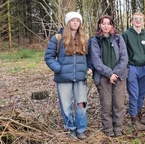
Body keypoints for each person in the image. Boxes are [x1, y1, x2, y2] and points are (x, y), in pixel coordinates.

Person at [44, 11, 91, 140]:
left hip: (81, 78)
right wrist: (59, 68)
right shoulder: (58, 38)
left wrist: (89, 69)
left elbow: (90, 57)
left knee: (81, 104)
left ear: (80, 23)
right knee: (65, 105)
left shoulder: (85, 38)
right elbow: (48, 57)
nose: (75, 22)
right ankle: (70, 128)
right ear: (68, 22)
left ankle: (81, 129)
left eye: (77, 20)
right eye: (72, 20)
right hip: (63, 78)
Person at [89, 15, 128, 137]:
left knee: (119, 103)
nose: (106, 26)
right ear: (99, 25)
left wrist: (115, 73)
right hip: (103, 77)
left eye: (108, 23)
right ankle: (108, 128)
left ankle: (118, 127)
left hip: (119, 76)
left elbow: (124, 57)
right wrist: (109, 74)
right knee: (106, 104)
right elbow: (96, 61)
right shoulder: (94, 40)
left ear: (112, 25)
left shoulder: (118, 38)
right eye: (103, 23)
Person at [122, 12, 145, 131]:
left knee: (141, 94)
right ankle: (134, 119)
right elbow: (123, 52)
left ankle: (138, 115)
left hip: (144, 68)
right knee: (134, 94)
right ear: (132, 21)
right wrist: (127, 65)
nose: (138, 21)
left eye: (140, 19)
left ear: (143, 22)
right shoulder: (126, 34)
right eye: (136, 19)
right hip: (132, 68)